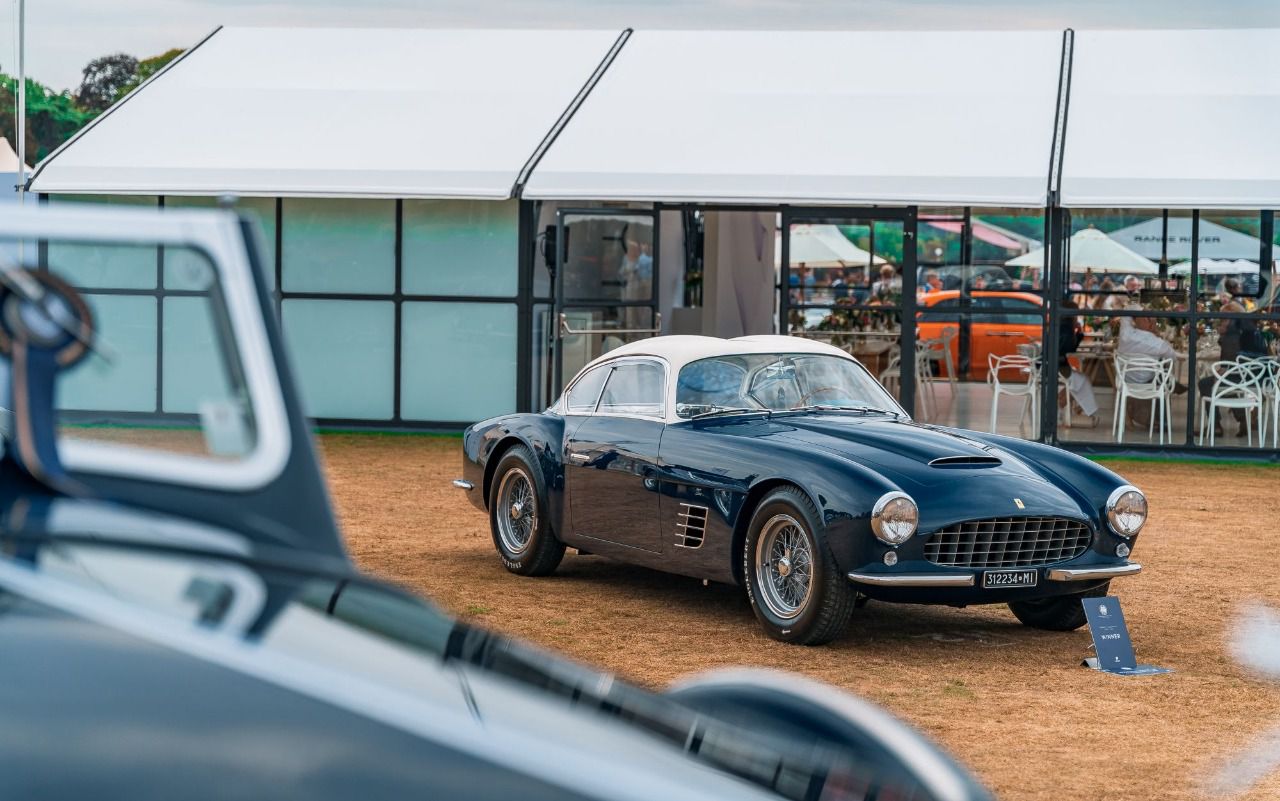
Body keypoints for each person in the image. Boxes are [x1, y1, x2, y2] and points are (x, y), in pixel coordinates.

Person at [1197, 302, 1268, 437]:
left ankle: (1215, 425)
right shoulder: (1251, 329)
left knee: (1206, 384)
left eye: (1223, 319)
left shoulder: (1233, 334)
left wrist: (1218, 374)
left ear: (1230, 318)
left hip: (1243, 378)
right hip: (1257, 378)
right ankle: (1243, 419)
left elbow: (1228, 363)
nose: (1221, 322)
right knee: (1226, 384)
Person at [1116, 316, 1187, 428]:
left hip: (1124, 380)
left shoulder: (1126, 335)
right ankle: (1161, 422)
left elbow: (1126, 314)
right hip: (1147, 382)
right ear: (1151, 325)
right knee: (1163, 376)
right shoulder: (1158, 343)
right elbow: (1173, 357)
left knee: (1161, 373)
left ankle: (1172, 385)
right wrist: (1157, 335)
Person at [1057, 296, 1098, 425]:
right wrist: (1078, 333)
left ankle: (1084, 410)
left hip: (1052, 365)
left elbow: (1069, 348)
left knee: (1079, 380)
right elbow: (1071, 348)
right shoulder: (1066, 328)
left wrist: (1077, 333)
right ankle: (1088, 412)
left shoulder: (1059, 325)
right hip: (1058, 367)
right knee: (1083, 380)